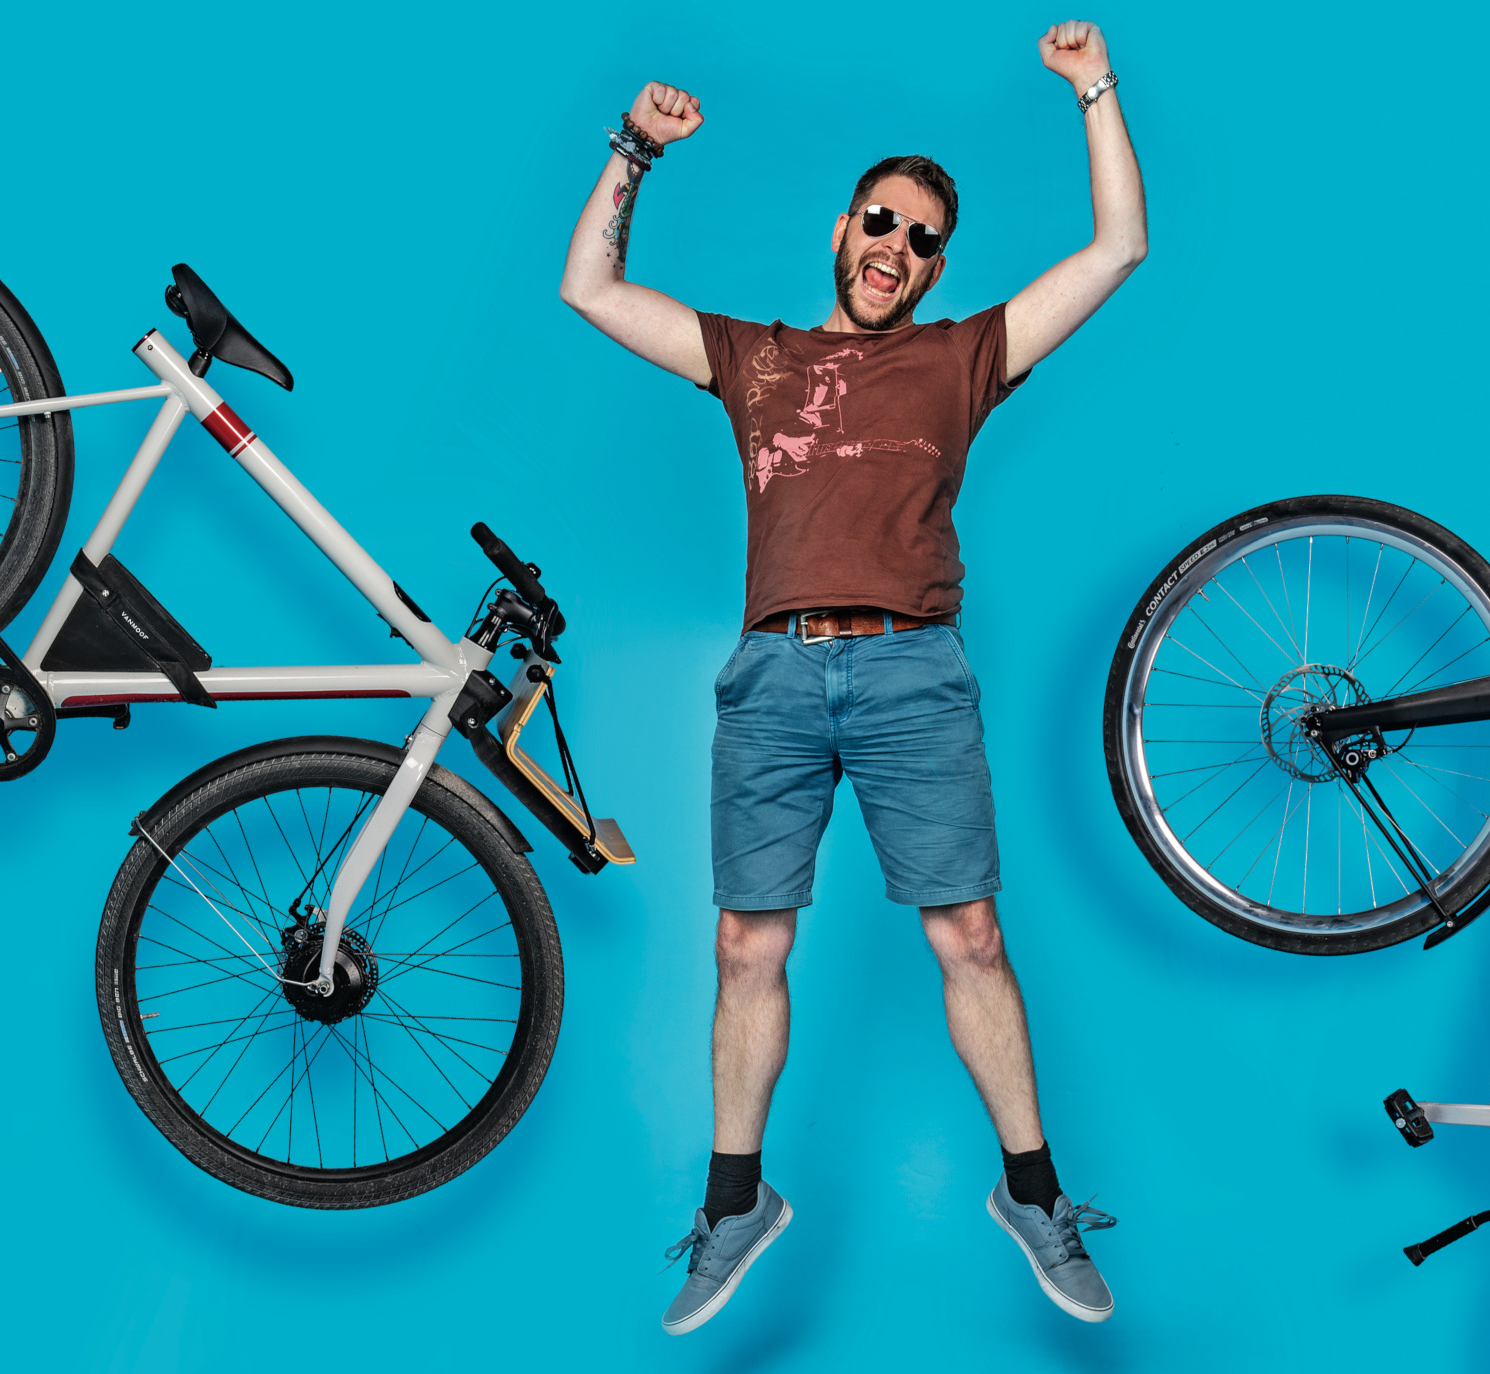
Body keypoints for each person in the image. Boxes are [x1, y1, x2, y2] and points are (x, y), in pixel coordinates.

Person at [559, 20, 1147, 1336]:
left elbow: (1118, 247)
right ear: (844, 228)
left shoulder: (962, 359)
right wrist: (634, 151)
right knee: (745, 943)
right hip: (773, 674)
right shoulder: (751, 355)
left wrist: (1094, 90)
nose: (897, 246)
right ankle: (733, 1204)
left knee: (969, 934)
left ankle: (1034, 1194)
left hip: (911, 671)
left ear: (938, 266)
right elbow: (590, 287)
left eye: (923, 238)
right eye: (881, 220)